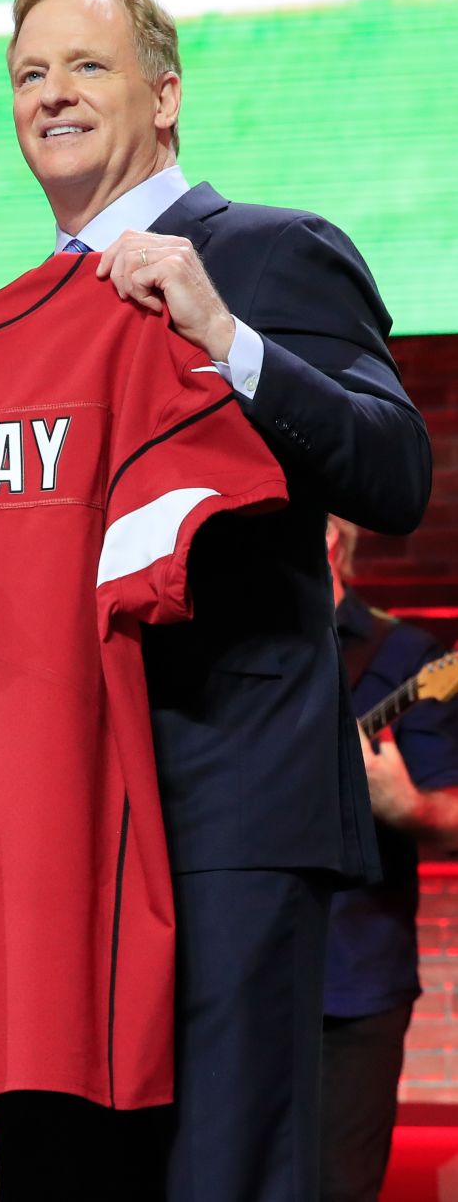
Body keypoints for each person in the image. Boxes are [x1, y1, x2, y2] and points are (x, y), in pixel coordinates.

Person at [0, 0, 432, 1201]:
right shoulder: (19, 314)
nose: (53, 94)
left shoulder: (267, 252)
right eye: (30, 75)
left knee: (225, 1172)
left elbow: (393, 467)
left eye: (86, 64)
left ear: (165, 92)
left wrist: (224, 335)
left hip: (227, 810)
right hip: (59, 818)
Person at [321, 515, 458, 1202]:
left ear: (326, 536)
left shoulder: (408, 657)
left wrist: (406, 805)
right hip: (236, 971)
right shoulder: (229, 656)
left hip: (352, 976)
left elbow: (453, 815)